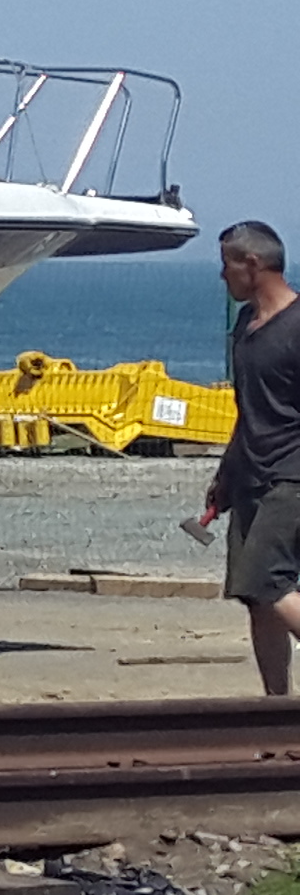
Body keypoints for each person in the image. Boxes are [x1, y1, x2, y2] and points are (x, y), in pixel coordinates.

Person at [193, 220, 300, 695]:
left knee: (266, 582)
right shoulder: (245, 326)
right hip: (251, 477)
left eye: (227, 265)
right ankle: (276, 710)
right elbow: (249, 408)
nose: (222, 276)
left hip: (291, 479)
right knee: (256, 599)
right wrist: (227, 472)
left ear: (253, 265)